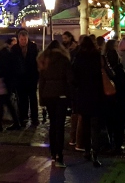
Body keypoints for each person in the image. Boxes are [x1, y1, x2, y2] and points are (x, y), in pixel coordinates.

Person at [38, 40, 73, 168]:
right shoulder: (64, 60)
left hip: (48, 94)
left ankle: (53, 153)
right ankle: (59, 155)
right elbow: (70, 79)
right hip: (61, 94)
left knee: (52, 124)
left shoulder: (44, 60)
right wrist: (70, 97)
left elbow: (41, 81)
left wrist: (41, 98)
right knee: (60, 125)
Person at [72, 36, 104, 167]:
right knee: (95, 126)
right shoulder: (97, 56)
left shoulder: (79, 57)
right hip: (96, 94)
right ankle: (95, 153)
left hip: (83, 94)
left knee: (85, 125)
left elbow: (74, 77)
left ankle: (86, 151)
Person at [0, 38, 22, 132]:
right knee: (5, 103)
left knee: (3, 102)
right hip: (7, 80)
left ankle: (2, 124)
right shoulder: (6, 52)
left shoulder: (1, 53)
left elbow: (2, 67)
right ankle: (12, 123)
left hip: (5, 81)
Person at [104, 39, 125, 151]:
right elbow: (124, 84)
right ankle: (118, 143)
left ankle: (109, 142)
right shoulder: (119, 68)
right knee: (118, 121)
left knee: (109, 121)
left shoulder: (104, 69)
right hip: (118, 97)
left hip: (107, 98)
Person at [11, 29, 40, 127]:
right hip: (20, 78)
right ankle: (23, 117)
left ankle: (34, 118)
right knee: (22, 99)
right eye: (22, 39)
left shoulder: (33, 47)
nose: (23, 41)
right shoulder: (14, 49)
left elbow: (37, 62)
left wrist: (37, 75)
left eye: (25, 39)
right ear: (19, 39)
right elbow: (13, 64)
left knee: (33, 99)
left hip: (31, 77)